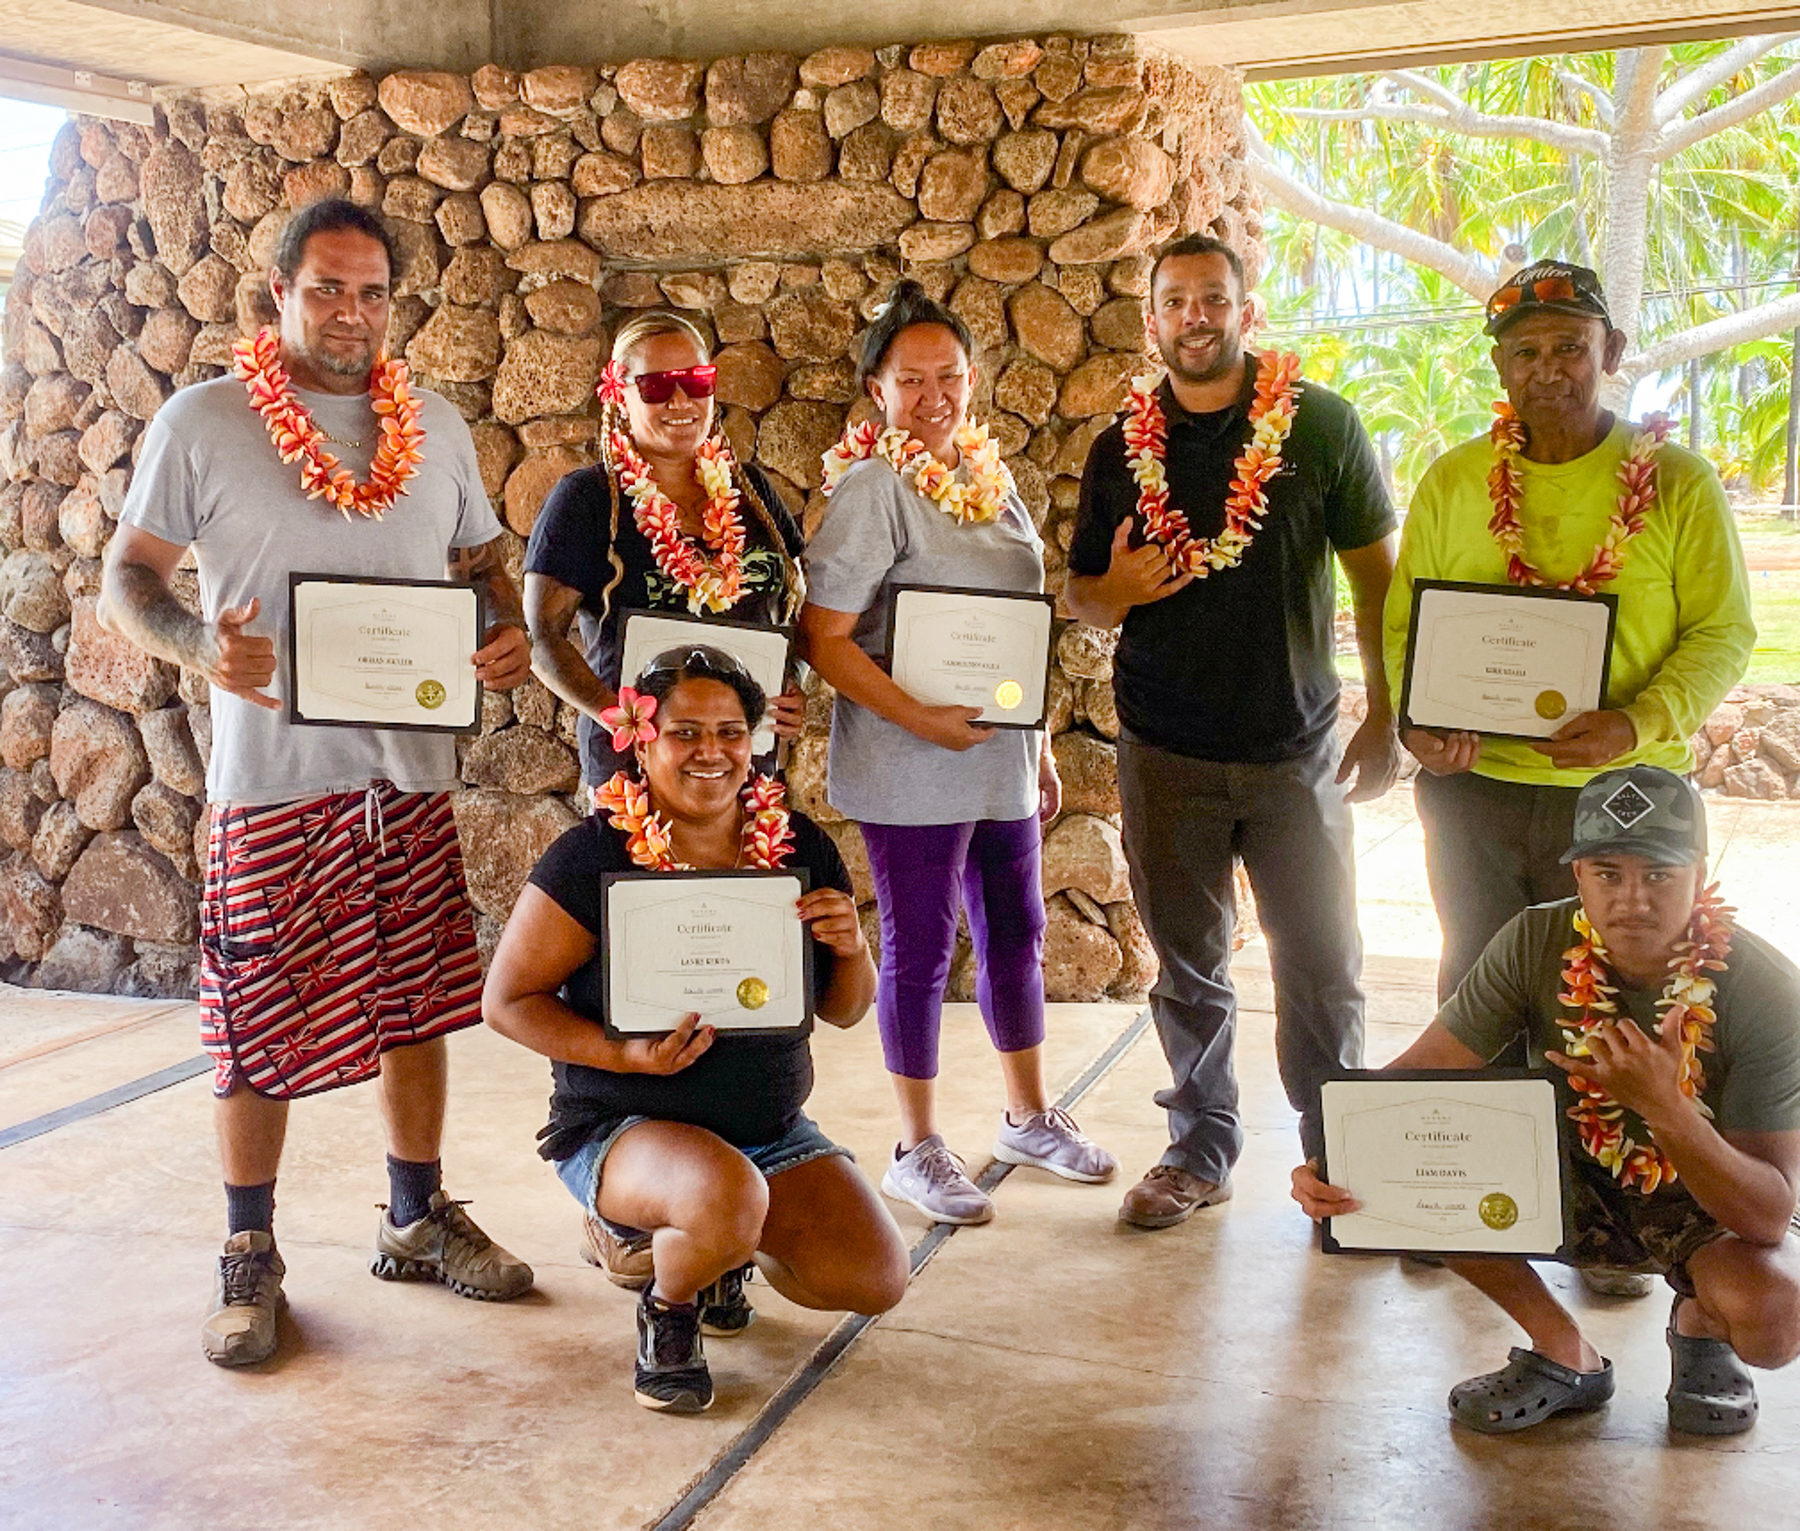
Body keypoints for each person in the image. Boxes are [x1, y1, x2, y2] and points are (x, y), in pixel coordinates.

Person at [98, 198, 536, 1368]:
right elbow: (125, 580)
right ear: (279, 294)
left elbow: (485, 565)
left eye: (373, 292)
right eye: (328, 289)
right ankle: (249, 1249)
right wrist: (201, 647)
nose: (352, 312)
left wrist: (503, 634)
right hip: (273, 778)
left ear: (395, 302)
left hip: (409, 775)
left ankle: (414, 1212)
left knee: (418, 998)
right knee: (252, 1018)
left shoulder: (435, 427)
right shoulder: (205, 421)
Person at [1293, 767, 1800, 1435]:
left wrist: (1665, 1107)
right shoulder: (1536, 940)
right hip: (1569, 1172)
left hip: (1701, 1192)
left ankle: (1700, 1320)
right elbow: (1412, 1080)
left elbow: (1768, 1212)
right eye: (1607, 872)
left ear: (1700, 872)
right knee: (1418, 1158)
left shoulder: (1764, 990)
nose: (1632, 899)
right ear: (1579, 875)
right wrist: (1332, 1153)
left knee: (1774, 1321)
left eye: (1658, 874)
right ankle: (1566, 1352)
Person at [1066, 233, 1400, 1229]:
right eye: (1177, 300)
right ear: (1154, 318)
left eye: (1213, 298)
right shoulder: (1120, 448)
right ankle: (1198, 1145)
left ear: (1244, 311)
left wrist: (1385, 714)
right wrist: (1114, 591)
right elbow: (1084, 592)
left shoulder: (1321, 425)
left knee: (1323, 959)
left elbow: (1380, 577)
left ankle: (1338, 1159)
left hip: (1296, 747)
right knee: (1188, 962)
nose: (1196, 316)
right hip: (1166, 747)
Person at [483, 646, 909, 1413]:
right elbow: (507, 1000)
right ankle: (670, 1304)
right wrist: (624, 1054)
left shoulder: (799, 846)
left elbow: (845, 1010)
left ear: (754, 741)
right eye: (685, 732)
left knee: (875, 1276)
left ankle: (720, 1247)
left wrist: (853, 947)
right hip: (625, 1124)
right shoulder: (593, 854)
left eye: (729, 731)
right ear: (642, 741)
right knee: (725, 1191)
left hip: (769, 1128)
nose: (711, 751)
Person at [797, 281, 1117, 1226]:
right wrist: (920, 717)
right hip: (912, 762)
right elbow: (825, 637)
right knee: (923, 946)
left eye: (950, 376)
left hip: (1000, 760)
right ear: (877, 391)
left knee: (1017, 931)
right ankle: (916, 1145)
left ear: (972, 381)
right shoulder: (873, 490)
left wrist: (1042, 739)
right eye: (911, 379)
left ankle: (1027, 1114)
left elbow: (1017, 626)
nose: (933, 395)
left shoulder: (993, 476)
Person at [1386, 260, 1754, 1006]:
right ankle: (1491, 1125)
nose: (1546, 370)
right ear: (1500, 365)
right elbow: (1403, 630)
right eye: (1525, 352)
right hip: (1476, 792)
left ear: (1611, 352)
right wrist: (1420, 723)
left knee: (1626, 998)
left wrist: (1633, 723)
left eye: (1569, 348)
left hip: (1628, 791)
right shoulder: (1453, 481)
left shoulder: (1680, 483)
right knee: (1481, 992)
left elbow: (1723, 633)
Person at [525, 310, 808, 804]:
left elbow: (803, 604)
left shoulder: (752, 492)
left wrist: (792, 683)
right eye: (657, 387)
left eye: (696, 381)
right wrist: (616, 715)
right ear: (619, 392)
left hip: (742, 770)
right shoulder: (588, 499)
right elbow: (542, 639)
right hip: (632, 774)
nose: (681, 400)